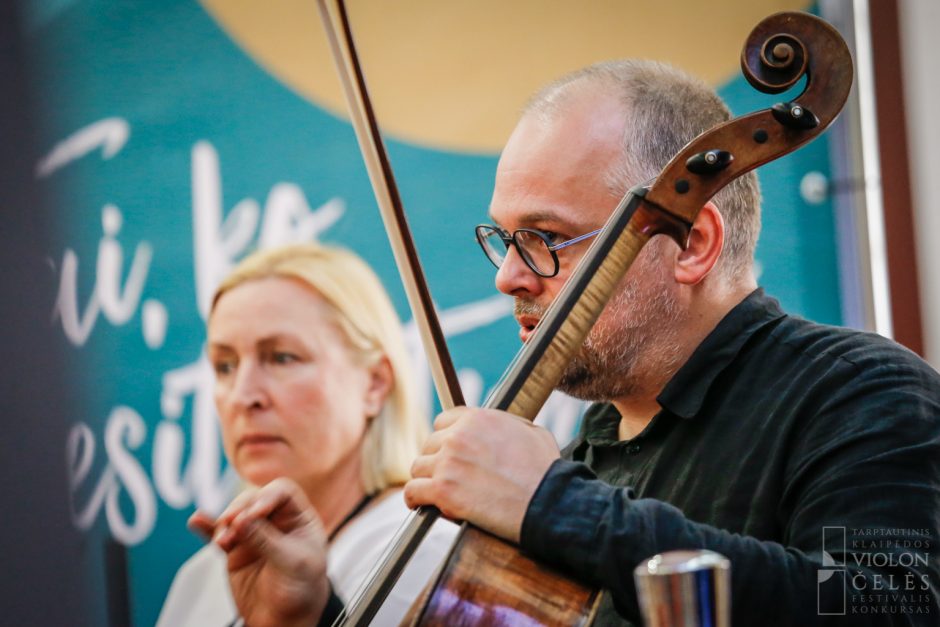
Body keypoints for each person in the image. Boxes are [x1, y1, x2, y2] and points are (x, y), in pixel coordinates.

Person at [213, 60, 940, 625]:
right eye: (504, 239)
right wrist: (312, 614)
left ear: (690, 242)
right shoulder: (587, 453)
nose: (507, 276)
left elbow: (891, 608)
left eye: (546, 238)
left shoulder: (861, 392)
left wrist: (554, 505)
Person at [156, 243, 455, 627]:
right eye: (225, 365)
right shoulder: (203, 576)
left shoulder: (424, 551)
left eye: (282, 357)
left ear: (375, 384)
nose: (244, 396)